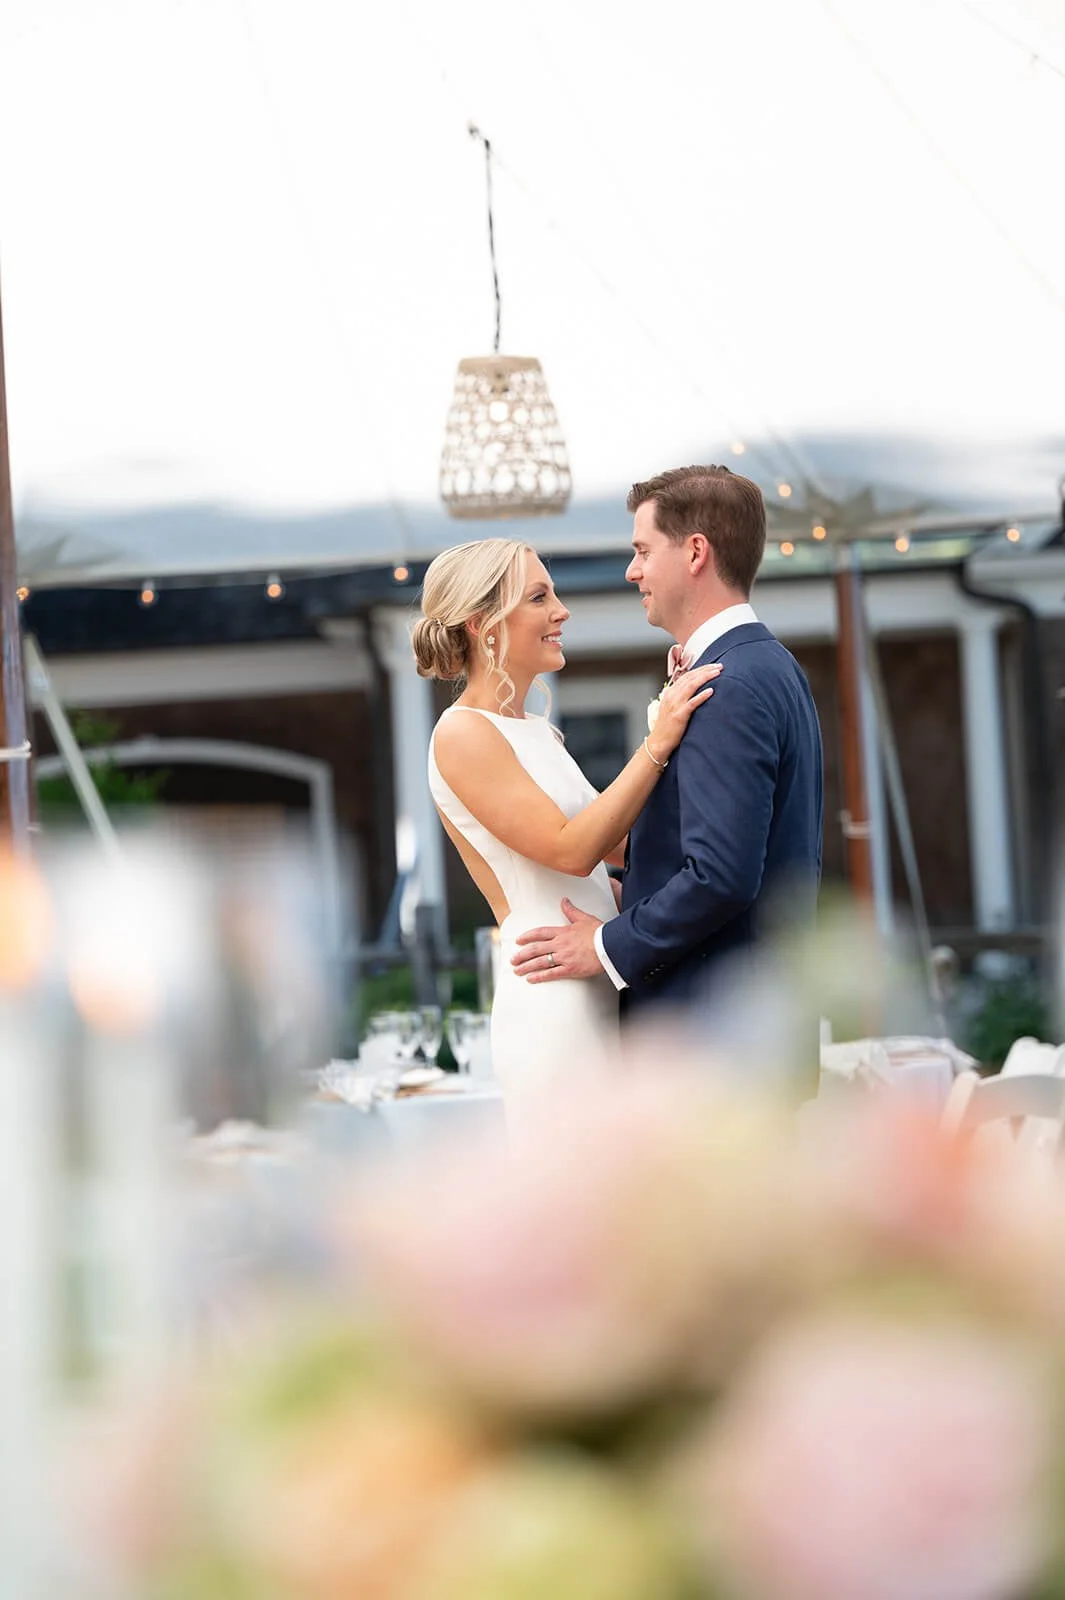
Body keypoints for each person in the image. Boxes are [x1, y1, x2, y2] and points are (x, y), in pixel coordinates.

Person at [511, 465, 824, 1059]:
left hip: (714, 1036)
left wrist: (605, 944)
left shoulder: (728, 685)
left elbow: (721, 876)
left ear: (696, 553)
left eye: (643, 551)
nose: (632, 571)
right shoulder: (771, 666)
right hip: (754, 1024)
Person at [414, 537, 719, 1109]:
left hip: (601, 981)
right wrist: (657, 740)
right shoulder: (461, 734)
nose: (562, 611)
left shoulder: (538, 732)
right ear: (485, 624)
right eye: (539, 597)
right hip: (552, 1004)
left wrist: (675, 714)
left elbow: (623, 846)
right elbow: (572, 850)